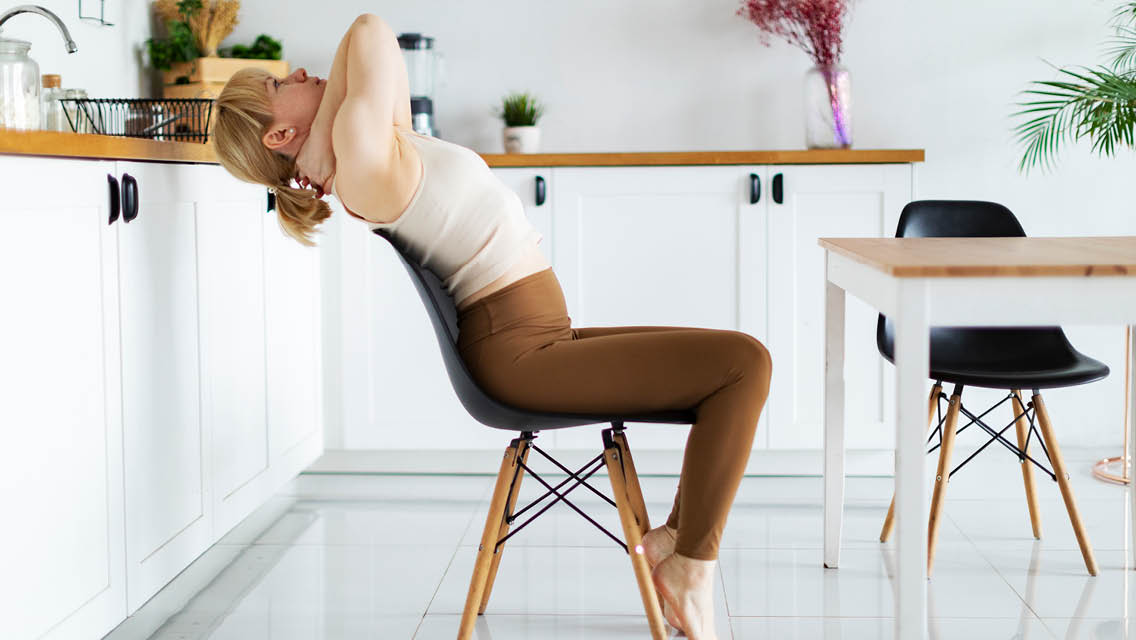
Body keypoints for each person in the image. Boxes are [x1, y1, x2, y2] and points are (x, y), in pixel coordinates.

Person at [211, 13, 772, 640]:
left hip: (538, 339)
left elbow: (373, 33)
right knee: (742, 364)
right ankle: (690, 563)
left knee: (737, 364)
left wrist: (314, 144)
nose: (300, 72)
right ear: (280, 131)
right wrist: (322, 143)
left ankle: (681, 544)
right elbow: (366, 30)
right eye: (278, 84)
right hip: (518, 357)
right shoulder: (365, 160)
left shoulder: (368, 143)